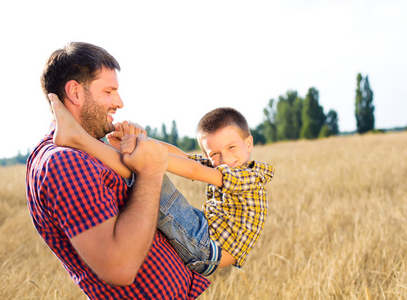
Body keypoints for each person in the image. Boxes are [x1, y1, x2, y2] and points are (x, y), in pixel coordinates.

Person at [25, 42, 210, 299]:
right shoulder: (64, 161)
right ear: (75, 93)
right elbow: (119, 268)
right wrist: (150, 173)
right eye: (109, 91)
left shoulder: (85, 152)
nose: (119, 102)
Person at [48, 95, 275, 276]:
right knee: (147, 170)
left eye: (232, 148)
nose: (224, 159)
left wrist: (146, 154)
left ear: (249, 144)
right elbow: (184, 158)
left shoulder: (249, 177)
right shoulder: (227, 166)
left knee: (147, 173)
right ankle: (89, 142)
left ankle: (78, 139)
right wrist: (144, 142)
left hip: (207, 249)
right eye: (214, 153)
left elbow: (192, 171)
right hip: (204, 237)